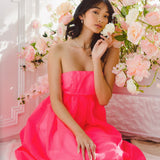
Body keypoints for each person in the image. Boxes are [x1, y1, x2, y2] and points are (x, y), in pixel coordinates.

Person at [15, 0, 146, 159]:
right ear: (82, 15)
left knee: (108, 155)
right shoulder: (59, 50)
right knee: (78, 156)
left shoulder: (110, 51)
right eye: (95, 12)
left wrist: (96, 60)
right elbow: (56, 100)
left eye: (105, 16)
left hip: (93, 123)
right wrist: (79, 133)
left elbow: (104, 99)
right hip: (61, 122)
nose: (101, 19)